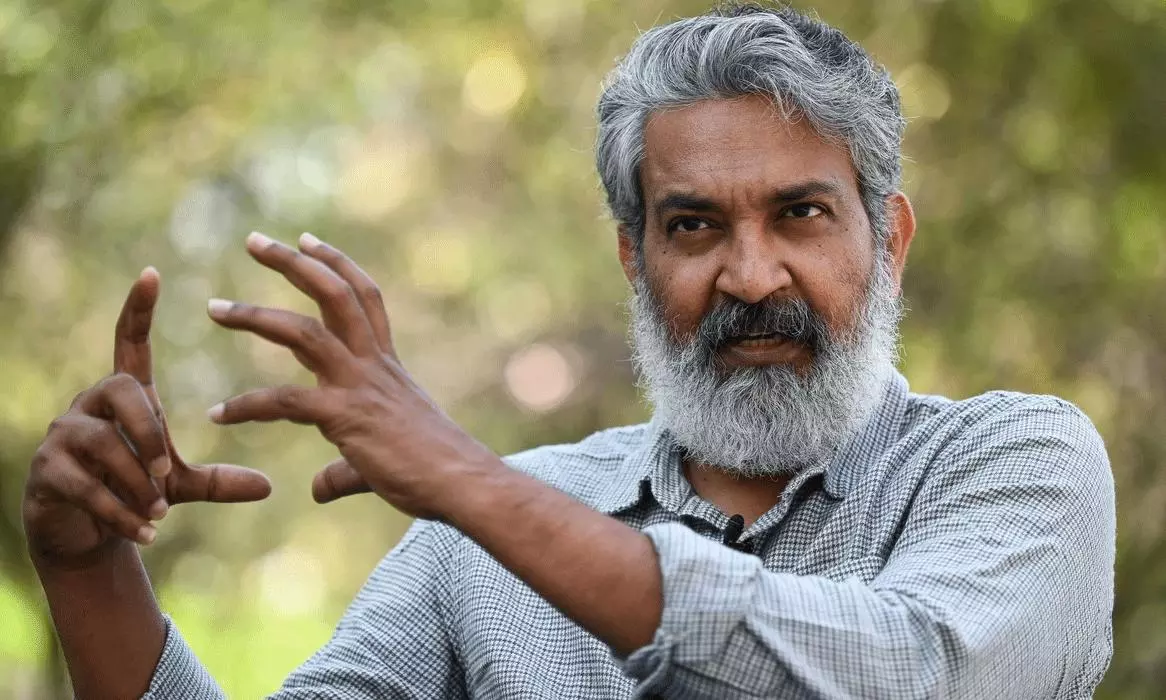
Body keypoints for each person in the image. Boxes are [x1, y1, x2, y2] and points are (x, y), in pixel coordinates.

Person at [22, 4, 1115, 699]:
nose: (750, 276)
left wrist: (468, 481)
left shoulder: (1014, 463)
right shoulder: (485, 533)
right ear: (635, 259)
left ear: (890, 243)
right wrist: (88, 569)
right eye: (693, 226)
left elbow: (911, 671)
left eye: (800, 214)